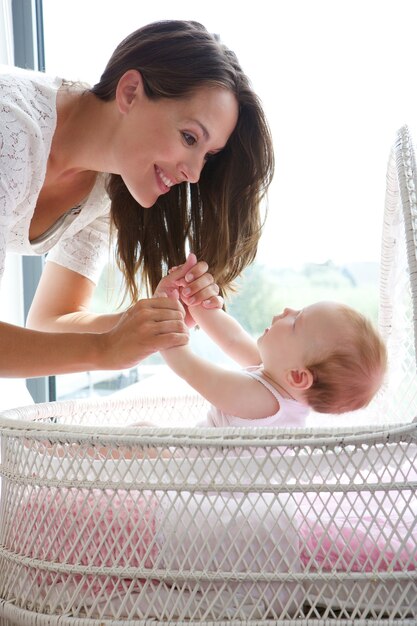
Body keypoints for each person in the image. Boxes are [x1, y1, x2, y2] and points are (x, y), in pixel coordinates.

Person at [0, 20, 274, 381]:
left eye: (208, 156)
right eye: (190, 138)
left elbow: (50, 322)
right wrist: (105, 350)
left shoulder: (109, 186)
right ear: (130, 92)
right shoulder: (12, 130)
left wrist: (148, 324)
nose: (193, 173)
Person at [156, 254, 388, 426]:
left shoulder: (263, 402)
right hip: (197, 472)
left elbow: (190, 369)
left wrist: (162, 324)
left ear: (298, 376)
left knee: (140, 439)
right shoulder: (276, 378)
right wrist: (195, 300)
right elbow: (232, 339)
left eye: (297, 322)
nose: (288, 310)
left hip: (198, 484)